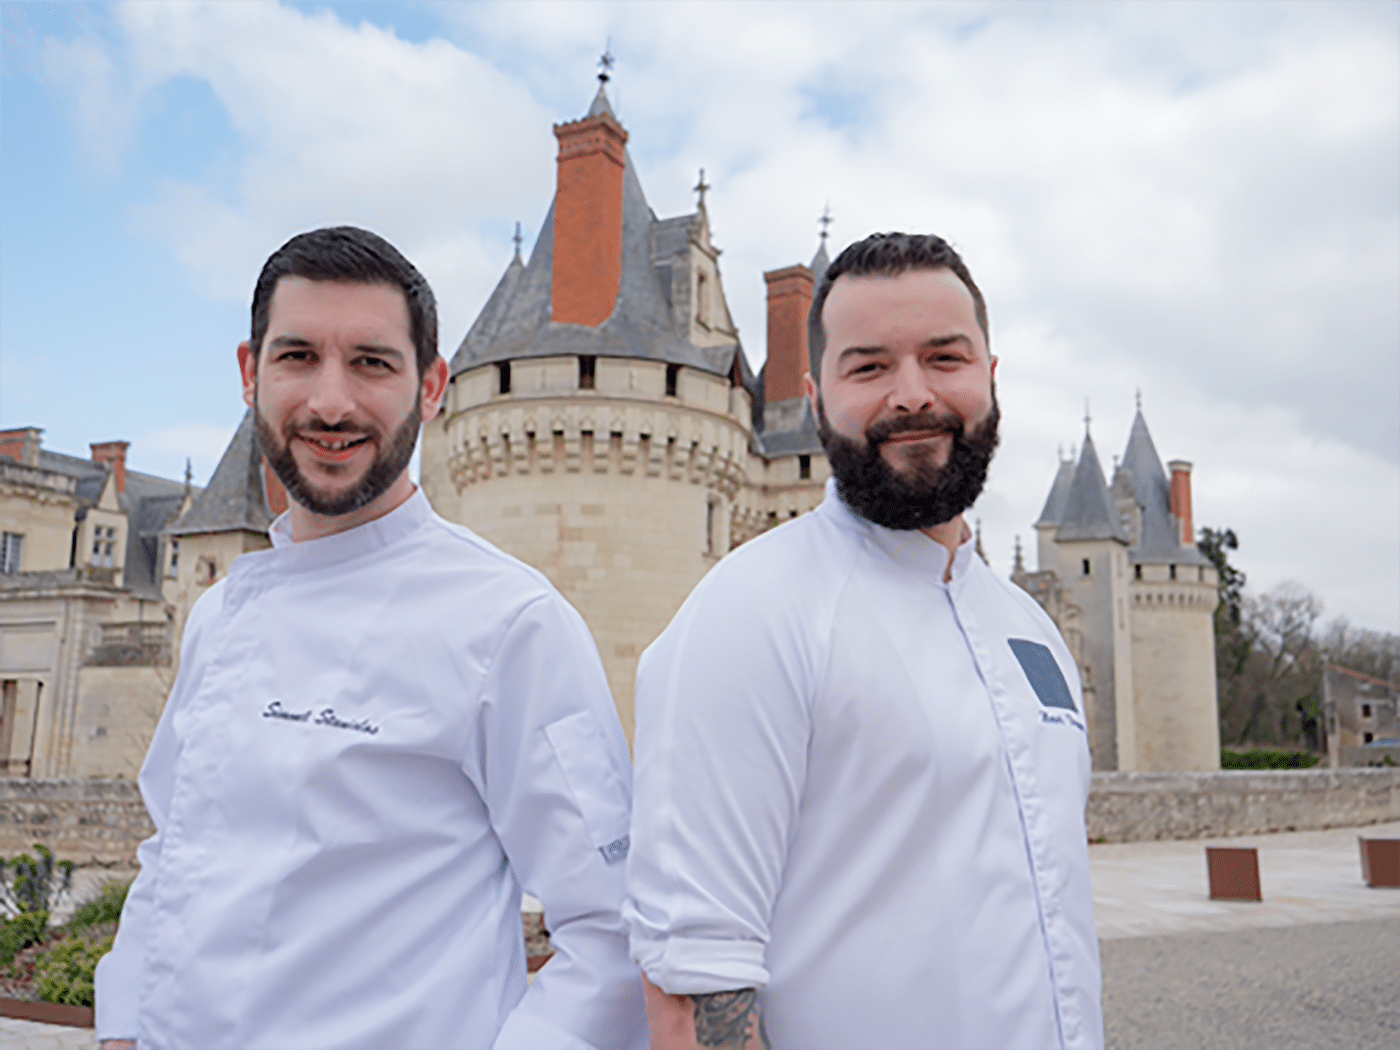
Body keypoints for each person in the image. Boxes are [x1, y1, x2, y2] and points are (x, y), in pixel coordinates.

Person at [95, 226, 645, 1050]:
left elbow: (612, 926)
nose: (329, 402)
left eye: (371, 363)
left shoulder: (508, 624)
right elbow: (172, 853)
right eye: (297, 357)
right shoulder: (217, 615)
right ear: (251, 373)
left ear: (430, 386)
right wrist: (123, 1027)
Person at [625, 232, 1103, 1049]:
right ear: (814, 398)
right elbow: (694, 984)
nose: (911, 394)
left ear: (991, 377)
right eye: (869, 366)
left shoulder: (1033, 631)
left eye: (944, 358)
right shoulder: (751, 613)